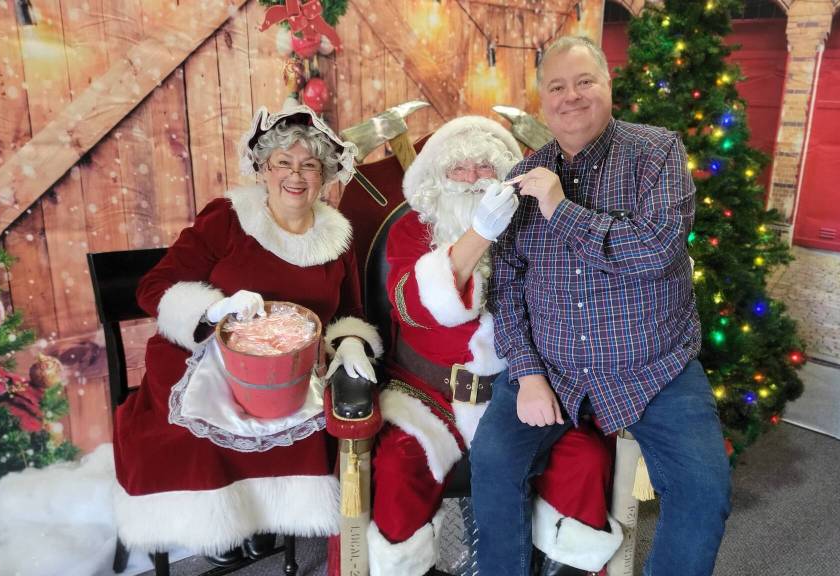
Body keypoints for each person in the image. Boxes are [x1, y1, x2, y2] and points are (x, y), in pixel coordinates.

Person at [471, 36, 732, 576]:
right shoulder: (526, 175)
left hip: (653, 366)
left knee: (703, 492)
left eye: (584, 81)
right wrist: (527, 373)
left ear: (608, 85)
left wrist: (559, 209)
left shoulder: (656, 153)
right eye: (557, 87)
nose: (572, 96)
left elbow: (656, 253)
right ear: (543, 100)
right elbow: (509, 288)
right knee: (493, 462)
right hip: (551, 367)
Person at [112, 104, 382, 565]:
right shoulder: (227, 218)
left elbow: (351, 311)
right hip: (203, 359)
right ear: (262, 168)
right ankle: (229, 529)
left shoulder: (338, 237)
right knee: (199, 433)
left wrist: (352, 339)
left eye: (309, 165)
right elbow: (152, 288)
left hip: (291, 369)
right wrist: (215, 309)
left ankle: (265, 521)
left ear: (324, 175)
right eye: (283, 163)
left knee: (311, 427)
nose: (295, 176)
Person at [369, 116, 622, 576]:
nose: (471, 180)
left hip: (522, 390)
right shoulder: (413, 231)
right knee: (397, 464)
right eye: (458, 170)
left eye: (484, 169)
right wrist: (481, 234)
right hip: (429, 397)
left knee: (585, 458)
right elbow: (414, 307)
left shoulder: (534, 226)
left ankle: (565, 566)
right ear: (437, 180)